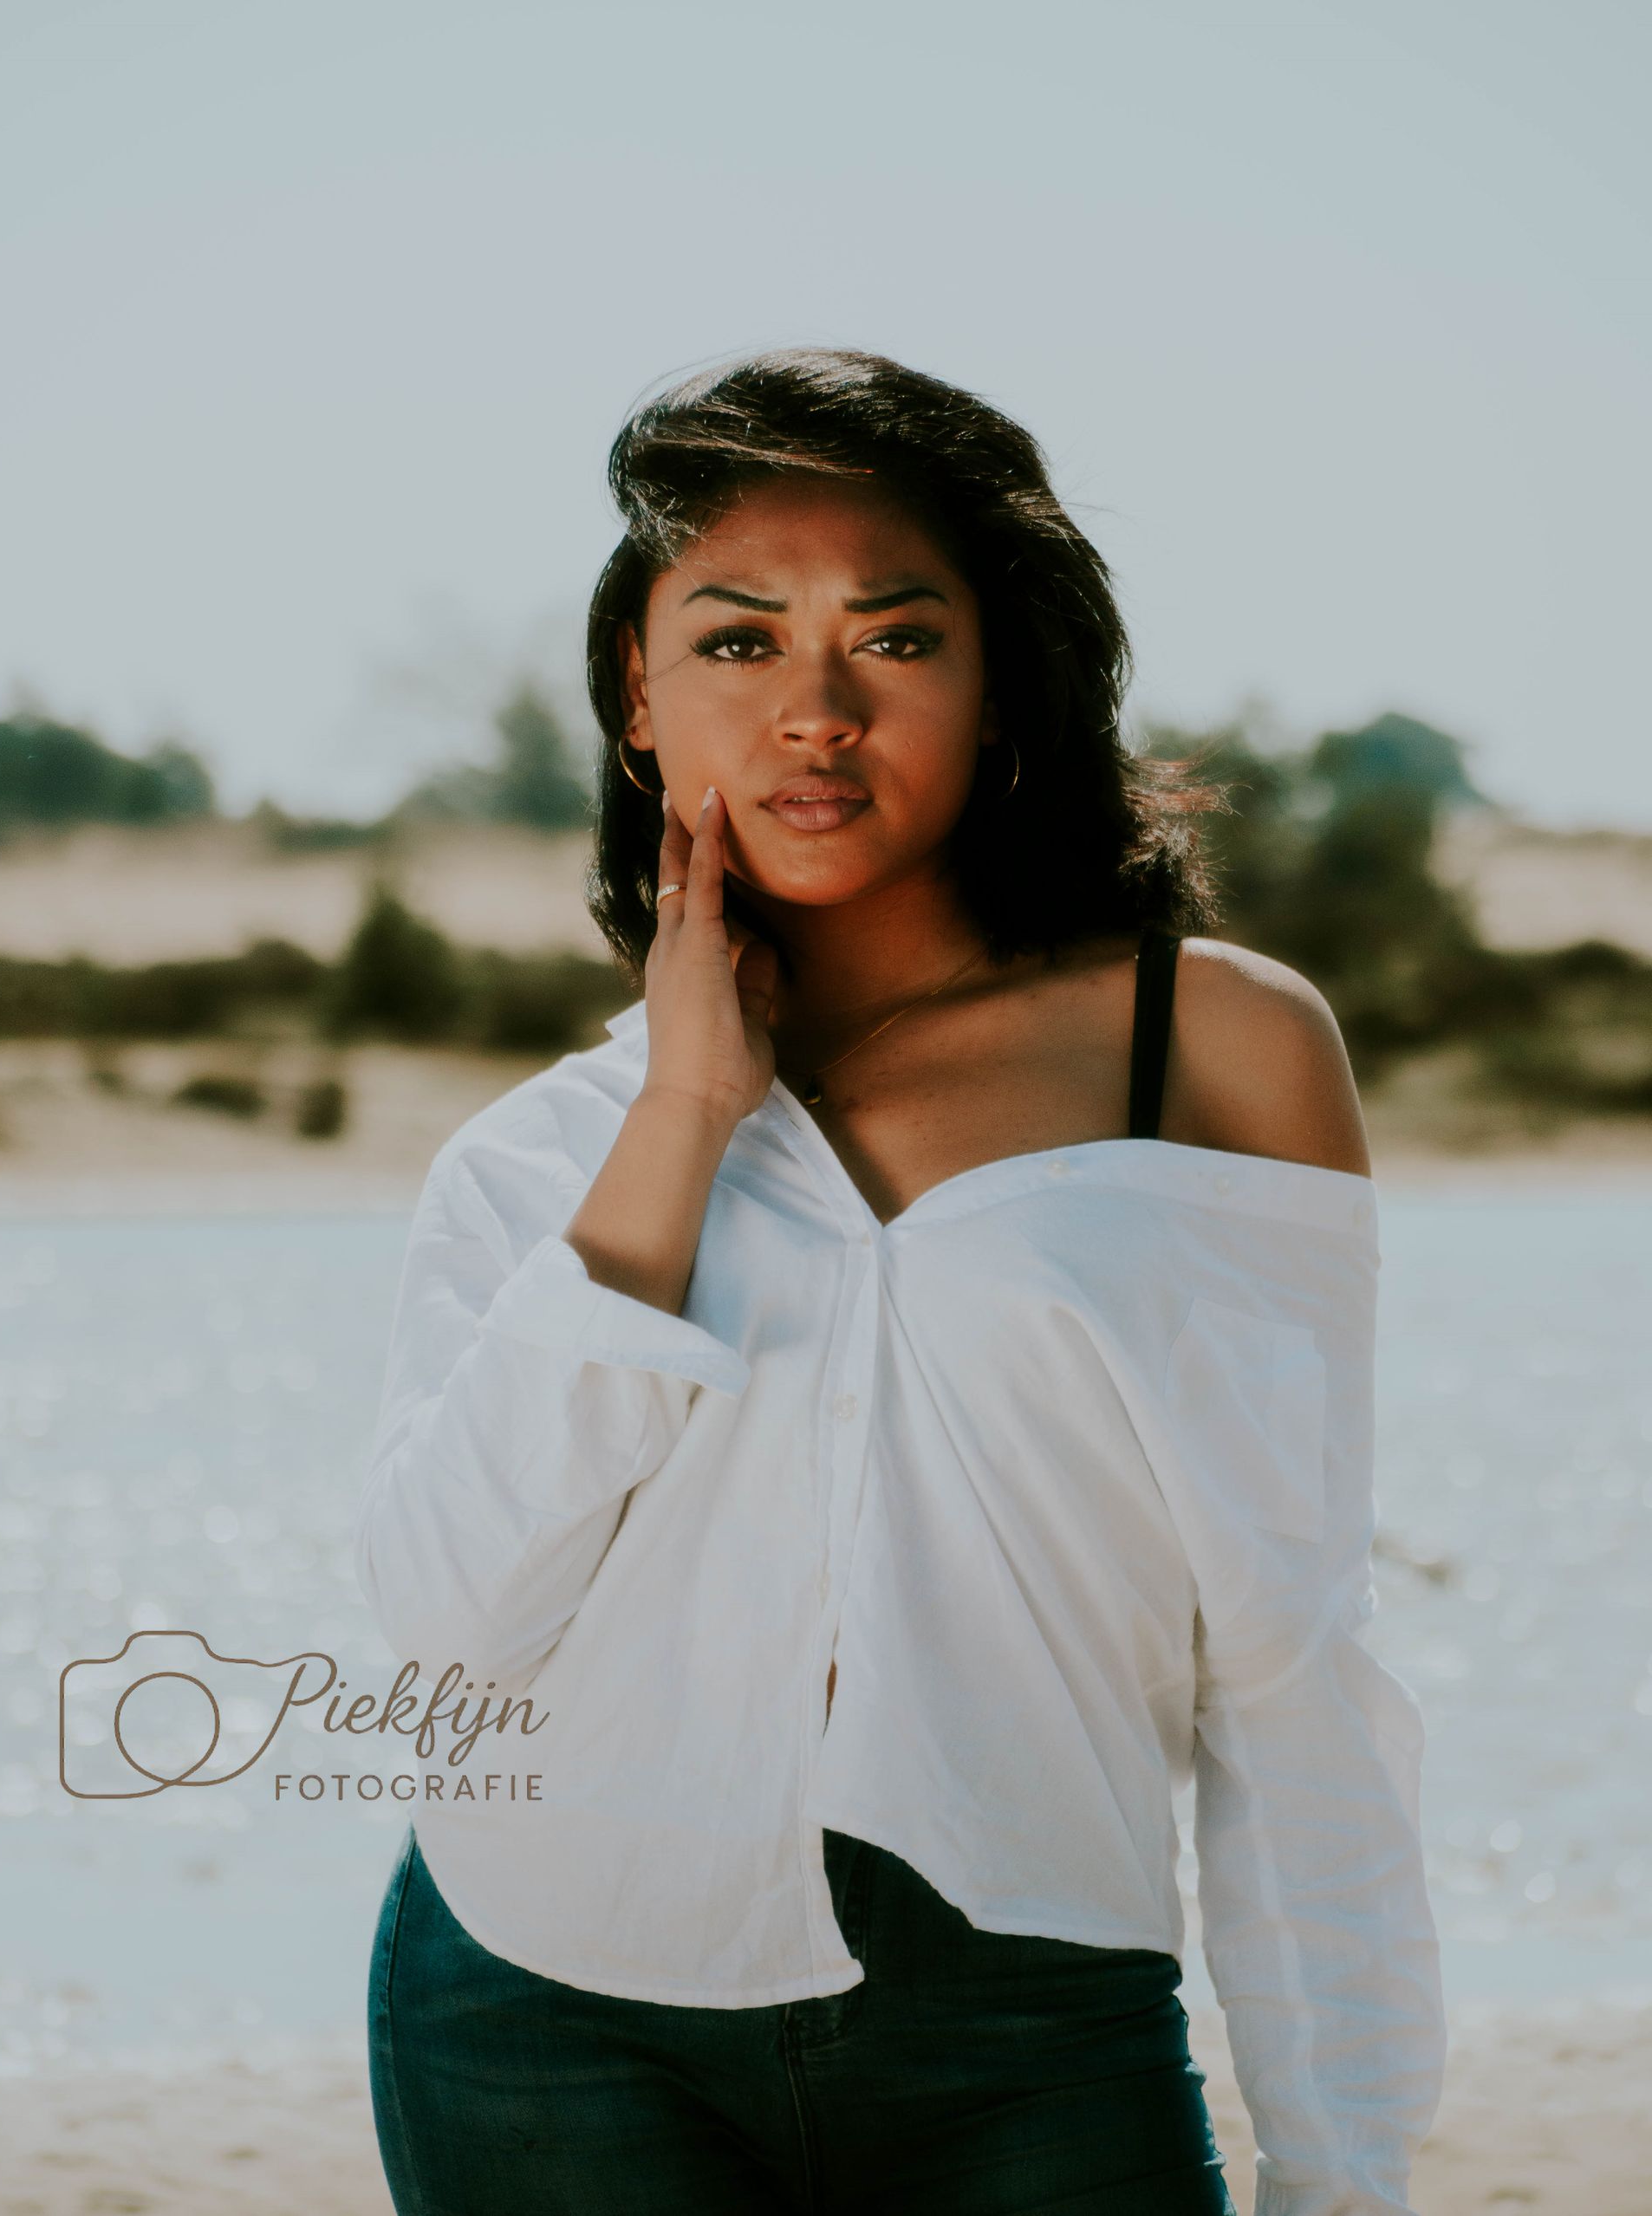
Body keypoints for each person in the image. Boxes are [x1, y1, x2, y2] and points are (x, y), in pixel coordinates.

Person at [354, 348, 1447, 2215]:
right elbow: (443, 1633)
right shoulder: (546, 1157)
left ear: (1003, 672)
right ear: (637, 689)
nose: (815, 714)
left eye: (895, 639)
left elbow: (1288, 1654)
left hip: (1033, 2018)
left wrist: (1342, 2165)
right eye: (736, 641)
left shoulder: (1216, 1051)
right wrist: (688, 1118)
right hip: (545, 2007)